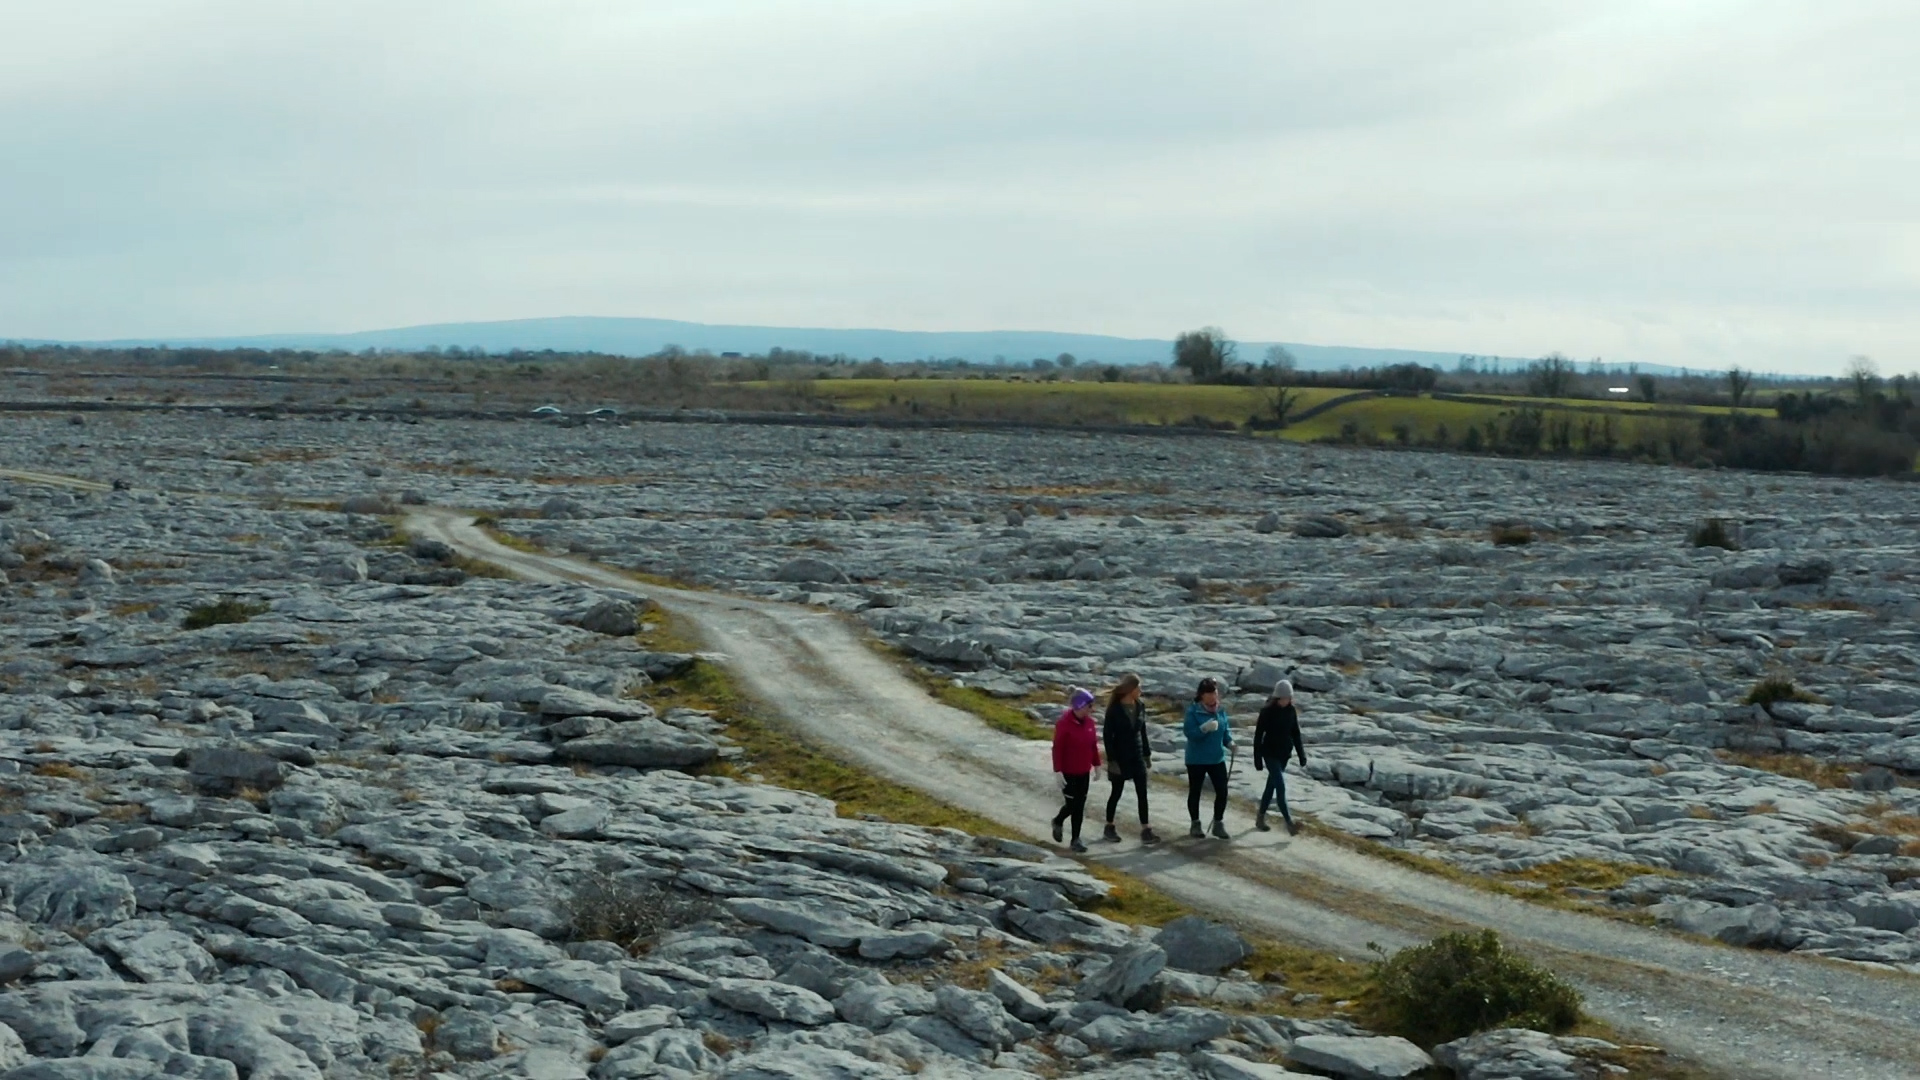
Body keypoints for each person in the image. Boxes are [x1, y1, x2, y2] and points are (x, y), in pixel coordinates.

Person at [1100, 674, 1158, 844]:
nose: (1141, 691)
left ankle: (1146, 830)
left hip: (1137, 754)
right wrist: (1112, 761)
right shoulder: (1115, 709)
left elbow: (1143, 731)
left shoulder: (1140, 706)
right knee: (1116, 793)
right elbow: (1107, 736)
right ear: (1131, 689)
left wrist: (1147, 755)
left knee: (1142, 793)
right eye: (1139, 688)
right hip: (1120, 756)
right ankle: (1109, 826)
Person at [1182, 677, 1234, 839]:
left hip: (1217, 758)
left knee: (1222, 791)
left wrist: (1230, 743)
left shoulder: (1220, 711)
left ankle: (1218, 823)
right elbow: (1190, 734)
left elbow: (1225, 732)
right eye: (1209, 693)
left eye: (1214, 692)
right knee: (1195, 791)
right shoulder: (1193, 712)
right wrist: (1203, 729)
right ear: (1201, 695)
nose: (1213, 696)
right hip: (1196, 759)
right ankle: (1195, 824)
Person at [1051, 687, 1101, 853]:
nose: (1091, 710)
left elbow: (1092, 746)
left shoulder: (1090, 723)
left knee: (1080, 805)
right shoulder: (1064, 724)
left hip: (1083, 771)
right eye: (1089, 706)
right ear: (1079, 705)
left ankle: (1075, 839)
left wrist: (1097, 764)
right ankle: (1058, 820)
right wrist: (1058, 770)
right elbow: (1057, 748)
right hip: (1068, 772)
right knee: (1073, 804)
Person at [1252, 680, 1306, 835]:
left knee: (1271, 787)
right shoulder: (1267, 712)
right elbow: (1258, 736)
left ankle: (1260, 817)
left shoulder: (1291, 711)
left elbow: (1295, 733)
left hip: (1284, 755)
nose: (1287, 700)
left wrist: (1301, 754)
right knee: (1280, 786)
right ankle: (1289, 823)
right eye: (1284, 698)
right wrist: (1257, 758)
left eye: (1289, 698)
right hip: (1269, 753)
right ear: (1277, 697)